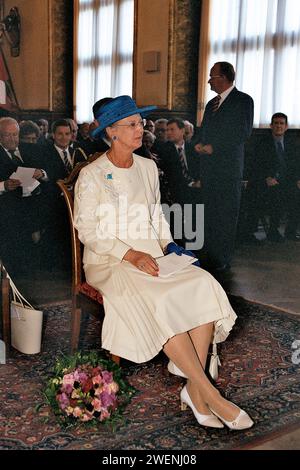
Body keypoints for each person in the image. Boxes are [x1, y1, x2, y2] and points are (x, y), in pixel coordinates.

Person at [74, 95, 254, 430]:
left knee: (202, 285)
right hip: (110, 261)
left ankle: (193, 390)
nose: (139, 129)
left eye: (140, 122)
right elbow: (87, 230)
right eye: (131, 124)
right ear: (110, 132)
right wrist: (131, 255)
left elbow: (157, 216)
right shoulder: (93, 174)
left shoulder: (146, 167)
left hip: (152, 254)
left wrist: (171, 247)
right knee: (158, 300)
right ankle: (210, 396)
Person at [193, 62, 254, 273]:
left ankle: (223, 258)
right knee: (210, 213)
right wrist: (199, 144)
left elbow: (242, 133)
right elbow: (203, 131)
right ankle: (210, 254)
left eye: (212, 76)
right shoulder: (211, 104)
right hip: (209, 171)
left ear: (224, 78)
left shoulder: (243, 101)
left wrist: (214, 147)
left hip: (228, 171)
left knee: (226, 215)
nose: (209, 80)